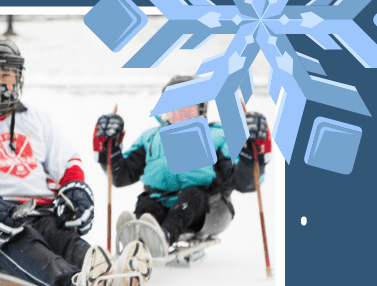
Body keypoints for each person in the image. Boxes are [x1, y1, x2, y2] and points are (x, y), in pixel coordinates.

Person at [0, 39, 150, 286]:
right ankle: (77, 283)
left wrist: (75, 191)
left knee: (67, 240)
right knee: (27, 244)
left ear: (18, 78)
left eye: (5, 74)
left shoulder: (37, 119)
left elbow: (67, 163)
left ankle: (113, 272)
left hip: (43, 210)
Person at [94, 75, 269, 257]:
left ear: (200, 108)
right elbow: (121, 176)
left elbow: (244, 182)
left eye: (186, 107)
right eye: (173, 108)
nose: (179, 113)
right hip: (162, 202)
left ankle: (162, 236)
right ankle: (139, 236)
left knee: (191, 195)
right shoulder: (151, 139)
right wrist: (109, 151)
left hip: (210, 209)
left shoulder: (217, 136)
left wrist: (251, 157)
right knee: (147, 202)